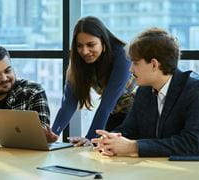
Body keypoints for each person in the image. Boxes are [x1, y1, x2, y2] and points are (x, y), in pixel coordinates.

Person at [92, 28, 199, 160]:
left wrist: (133, 147)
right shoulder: (144, 91)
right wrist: (109, 139)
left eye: (136, 63)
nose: (130, 69)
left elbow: (188, 144)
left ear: (154, 65)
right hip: (161, 166)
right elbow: (129, 129)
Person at [48, 16, 136, 146]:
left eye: (91, 45)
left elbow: (107, 104)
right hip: (115, 114)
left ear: (103, 41)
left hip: (140, 115)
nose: (84, 51)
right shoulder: (80, 63)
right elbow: (68, 104)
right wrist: (53, 134)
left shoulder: (123, 55)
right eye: (79, 46)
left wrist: (89, 138)